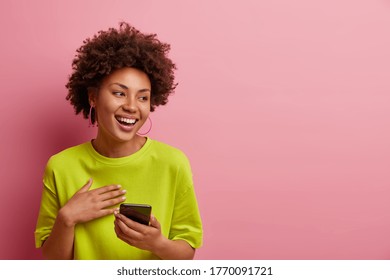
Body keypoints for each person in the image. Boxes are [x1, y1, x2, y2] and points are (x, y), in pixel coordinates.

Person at [34, 22, 203, 260]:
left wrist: (157, 243)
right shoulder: (61, 166)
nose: (132, 106)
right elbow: (54, 263)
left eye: (142, 97)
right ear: (93, 96)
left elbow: (187, 252)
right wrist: (67, 218)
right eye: (119, 93)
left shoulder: (173, 163)